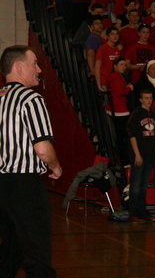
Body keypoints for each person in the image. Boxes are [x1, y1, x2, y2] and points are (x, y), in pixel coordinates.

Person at [0, 45, 62, 277]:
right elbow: (43, 149)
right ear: (18, 67)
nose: (38, 69)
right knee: (38, 255)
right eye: (34, 63)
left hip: (2, 186)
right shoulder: (30, 98)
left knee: (11, 252)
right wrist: (55, 166)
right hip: (24, 186)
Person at [126, 90, 155, 223]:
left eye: (150, 98)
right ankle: (133, 210)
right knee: (136, 184)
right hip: (139, 154)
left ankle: (142, 209)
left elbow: (154, 132)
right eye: (146, 98)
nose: (148, 100)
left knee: (144, 184)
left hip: (150, 153)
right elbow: (132, 135)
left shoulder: (154, 115)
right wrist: (137, 154)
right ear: (140, 100)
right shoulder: (136, 114)